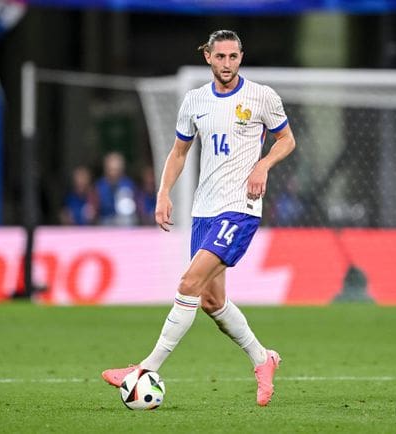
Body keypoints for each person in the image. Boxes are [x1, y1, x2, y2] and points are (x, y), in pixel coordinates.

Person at [102, 30, 296, 407]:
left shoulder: (261, 96)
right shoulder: (194, 101)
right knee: (211, 301)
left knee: (189, 282)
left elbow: (286, 139)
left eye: (233, 57)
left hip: (240, 208)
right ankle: (263, 358)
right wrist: (163, 193)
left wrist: (264, 165)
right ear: (207, 56)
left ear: (242, 56)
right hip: (204, 209)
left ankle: (143, 369)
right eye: (220, 57)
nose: (227, 64)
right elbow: (178, 152)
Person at [95, 151, 138, 226]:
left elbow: (135, 205)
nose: (114, 172)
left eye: (116, 169)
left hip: (125, 221)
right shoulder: (99, 185)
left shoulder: (129, 184)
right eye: (112, 169)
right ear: (106, 169)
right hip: (105, 220)